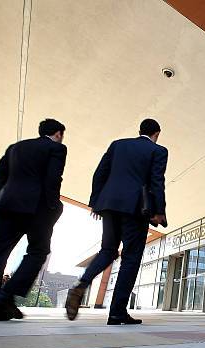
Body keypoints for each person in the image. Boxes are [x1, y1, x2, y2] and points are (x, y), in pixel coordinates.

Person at [65, 118, 167, 325]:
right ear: (156, 134)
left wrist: (95, 202)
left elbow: (100, 173)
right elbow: (157, 181)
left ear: (139, 131)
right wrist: (159, 211)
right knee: (131, 257)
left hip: (109, 205)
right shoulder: (158, 151)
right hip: (136, 209)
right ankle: (117, 312)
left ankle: (82, 283)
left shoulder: (117, 144)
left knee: (108, 250)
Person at [0, 119, 67, 321]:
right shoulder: (57, 148)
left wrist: (3, 197)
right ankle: (5, 294)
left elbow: (0, 175)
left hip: (9, 206)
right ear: (58, 134)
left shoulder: (15, 148)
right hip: (38, 208)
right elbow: (54, 179)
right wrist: (54, 206)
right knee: (38, 251)